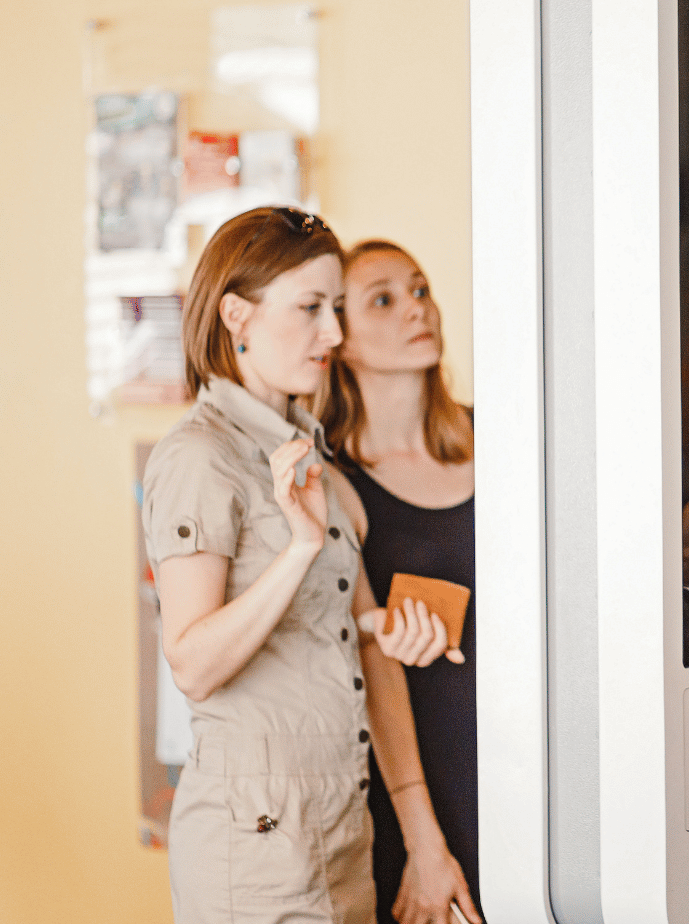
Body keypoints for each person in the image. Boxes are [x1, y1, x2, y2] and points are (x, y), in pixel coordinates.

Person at [142, 206, 455, 924]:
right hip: (255, 849)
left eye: (337, 308)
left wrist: (392, 629)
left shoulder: (308, 454)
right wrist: (301, 548)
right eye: (312, 308)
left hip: (342, 828)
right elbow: (192, 663)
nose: (335, 334)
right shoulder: (200, 456)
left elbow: (348, 638)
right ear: (236, 316)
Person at [320, 240, 480, 924]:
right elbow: (371, 660)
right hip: (424, 789)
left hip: (527, 759)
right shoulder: (333, 482)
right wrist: (424, 841)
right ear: (339, 338)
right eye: (383, 299)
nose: (417, 307)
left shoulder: (507, 436)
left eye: (420, 289)